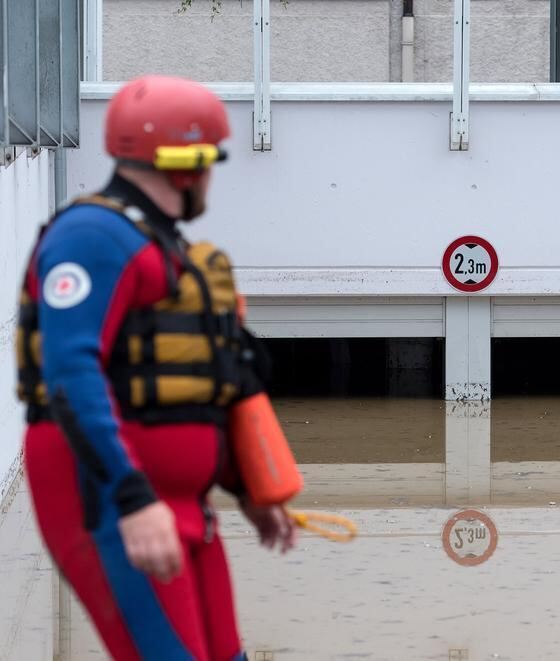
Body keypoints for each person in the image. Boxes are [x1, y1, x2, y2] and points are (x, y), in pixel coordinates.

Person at [14, 75, 296, 661]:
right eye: (211, 163)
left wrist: (247, 486)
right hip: (114, 498)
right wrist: (134, 501)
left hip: (182, 502)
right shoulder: (91, 237)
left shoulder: (163, 247)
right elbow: (71, 379)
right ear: (187, 167)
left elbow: (199, 386)